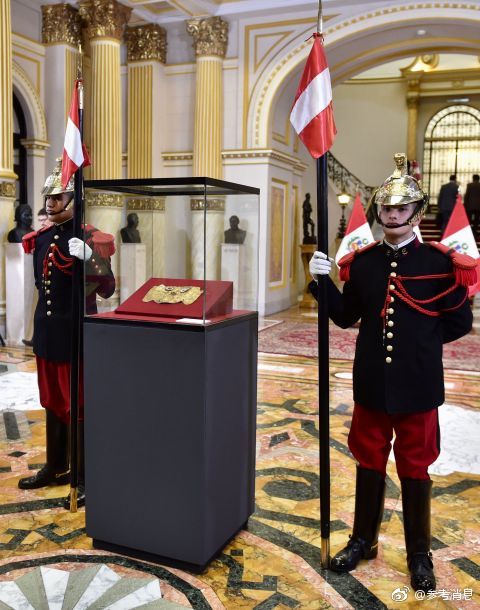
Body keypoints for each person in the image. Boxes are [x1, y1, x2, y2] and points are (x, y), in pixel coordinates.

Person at [309, 153, 474, 593]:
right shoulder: (363, 262)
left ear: (417, 212)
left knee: (415, 467)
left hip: (418, 385)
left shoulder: (439, 262)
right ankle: (363, 541)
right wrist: (322, 282)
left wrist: (419, 345)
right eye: (386, 207)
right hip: (372, 384)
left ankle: (420, 554)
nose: (392, 214)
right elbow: (345, 316)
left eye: (402, 208)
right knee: (369, 460)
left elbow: (459, 323)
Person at [17, 158, 115, 509]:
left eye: (58, 197)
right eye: (48, 197)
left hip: (77, 334)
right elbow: (40, 287)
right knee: (51, 400)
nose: (50, 203)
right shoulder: (42, 238)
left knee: (80, 405)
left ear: (74, 200)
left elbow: (107, 289)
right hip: (48, 334)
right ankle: (56, 466)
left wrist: (90, 258)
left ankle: (85, 476)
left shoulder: (90, 237)